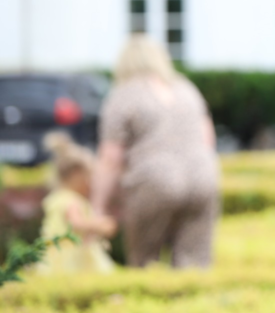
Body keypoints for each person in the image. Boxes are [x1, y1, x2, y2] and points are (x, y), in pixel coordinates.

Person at [92, 34, 220, 268]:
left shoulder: (123, 94)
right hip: (203, 177)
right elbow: (208, 140)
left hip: (154, 179)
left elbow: (111, 158)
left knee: (145, 259)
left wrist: (98, 207)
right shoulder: (185, 88)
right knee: (195, 261)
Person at [36, 131, 116, 274]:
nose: (90, 184)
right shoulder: (72, 200)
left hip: (57, 254)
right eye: (88, 177)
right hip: (72, 258)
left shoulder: (57, 198)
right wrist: (99, 225)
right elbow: (76, 224)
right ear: (76, 175)